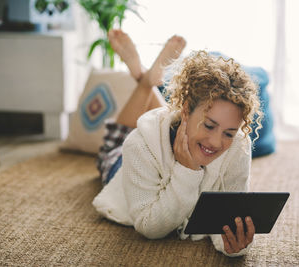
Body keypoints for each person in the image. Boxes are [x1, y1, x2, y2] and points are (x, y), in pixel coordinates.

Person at [93, 29, 263, 257]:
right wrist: (187, 171)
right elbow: (150, 228)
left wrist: (234, 244)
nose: (216, 142)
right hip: (122, 164)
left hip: (173, 123)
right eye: (209, 125)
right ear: (184, 112)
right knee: (113, 143)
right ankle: (144, 81)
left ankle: (145, 78)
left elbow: (227, 213)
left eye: (229, 133)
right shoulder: (139, 145)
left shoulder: (238, 146)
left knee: (167, 118)